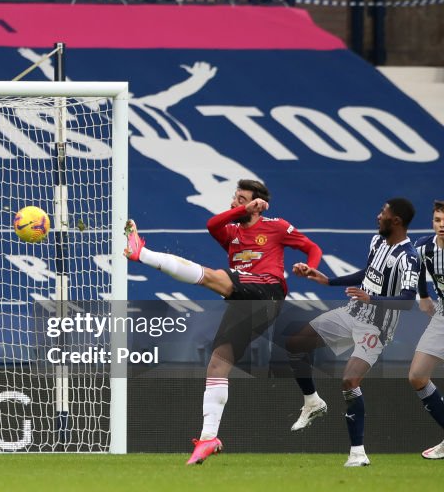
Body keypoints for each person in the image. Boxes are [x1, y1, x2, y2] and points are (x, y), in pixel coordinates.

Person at [124, 178, 321, 465]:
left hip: (268, 292)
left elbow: (312, 247)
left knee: (219, 277)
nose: (234, 203)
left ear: (257, 206)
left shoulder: (276, 226)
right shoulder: (230, 232)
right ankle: (208, 438)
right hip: (244, 301)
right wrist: (243, 209)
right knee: (218, 362)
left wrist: (310, 267)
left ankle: (142, 253)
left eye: (241, 199)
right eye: (235, 197)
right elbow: (212, 224)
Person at [288, 198, 418, 467]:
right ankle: (312, 402)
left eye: (383, 213)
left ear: (396, 221)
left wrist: (372, 300)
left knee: (350, 381)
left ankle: (357, 453)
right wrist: (328, 280)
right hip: (352, 313)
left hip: (377, 327)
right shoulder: (377, 242)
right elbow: (368, 274)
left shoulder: (409, 258)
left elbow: (407, 300)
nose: (377, 216)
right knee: (296, 344)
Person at [411, 200, 444, 460]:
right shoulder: (424, 246)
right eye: (437, 220)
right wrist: (423, 296)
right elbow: (419, 269)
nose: (441, 226)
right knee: (418, 376)